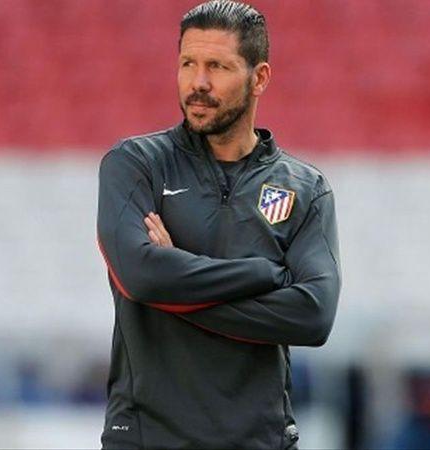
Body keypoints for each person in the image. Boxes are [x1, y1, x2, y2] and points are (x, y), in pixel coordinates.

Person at [96, 1, 342, 448]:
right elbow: (141, 275)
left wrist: (173, 283)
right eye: (187, 64)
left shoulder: (306, 189)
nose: (198, 82)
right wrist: (263, 274)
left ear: (259, 78)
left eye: (217, 66)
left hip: (260, 440)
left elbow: (313, 316)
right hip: (149, 438)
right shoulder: (136, 165)